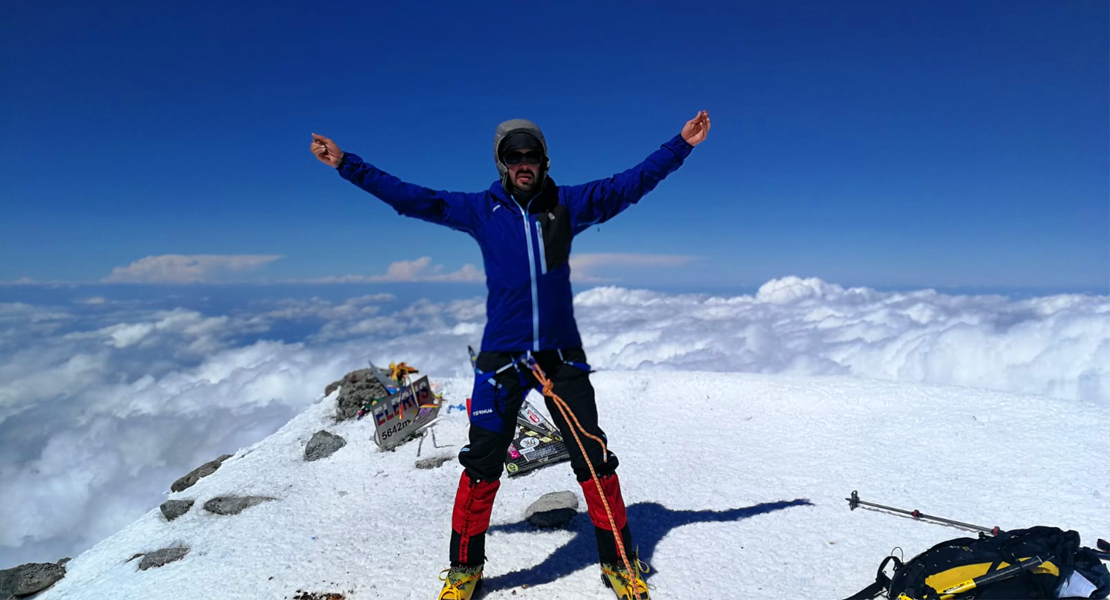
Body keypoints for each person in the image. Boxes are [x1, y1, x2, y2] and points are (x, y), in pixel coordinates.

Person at [311, 111, 710, 600]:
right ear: (502, 163)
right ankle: (464, 569)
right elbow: (413, 198)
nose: (524, 162)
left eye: (531, 154)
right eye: (513, 155)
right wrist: (346, 164)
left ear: (544, 161)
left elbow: (630, 183)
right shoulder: (482, 210)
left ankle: (620, 561)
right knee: (481, 465)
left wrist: (681, 145)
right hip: (502, 358)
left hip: (560, 356)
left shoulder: (569, 204)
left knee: (594, 458)